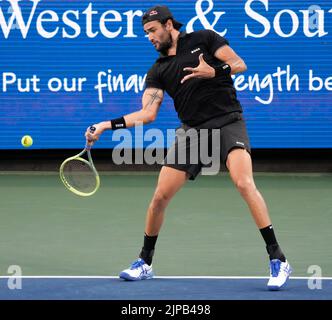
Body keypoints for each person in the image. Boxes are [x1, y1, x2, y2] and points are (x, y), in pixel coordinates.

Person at [85, 5, 292, 290]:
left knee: (244, 183)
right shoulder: (158, 70)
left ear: (169, 25)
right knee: (159, 198)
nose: (149, 37)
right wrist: (105, 124)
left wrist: (214, 71)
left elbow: (239, 64)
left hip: (227, 121)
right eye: (146, 33)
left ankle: (278, 258)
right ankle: (145, 262)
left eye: (152, 31)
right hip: (194, 133)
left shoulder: (204, 39)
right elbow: (147, 114)